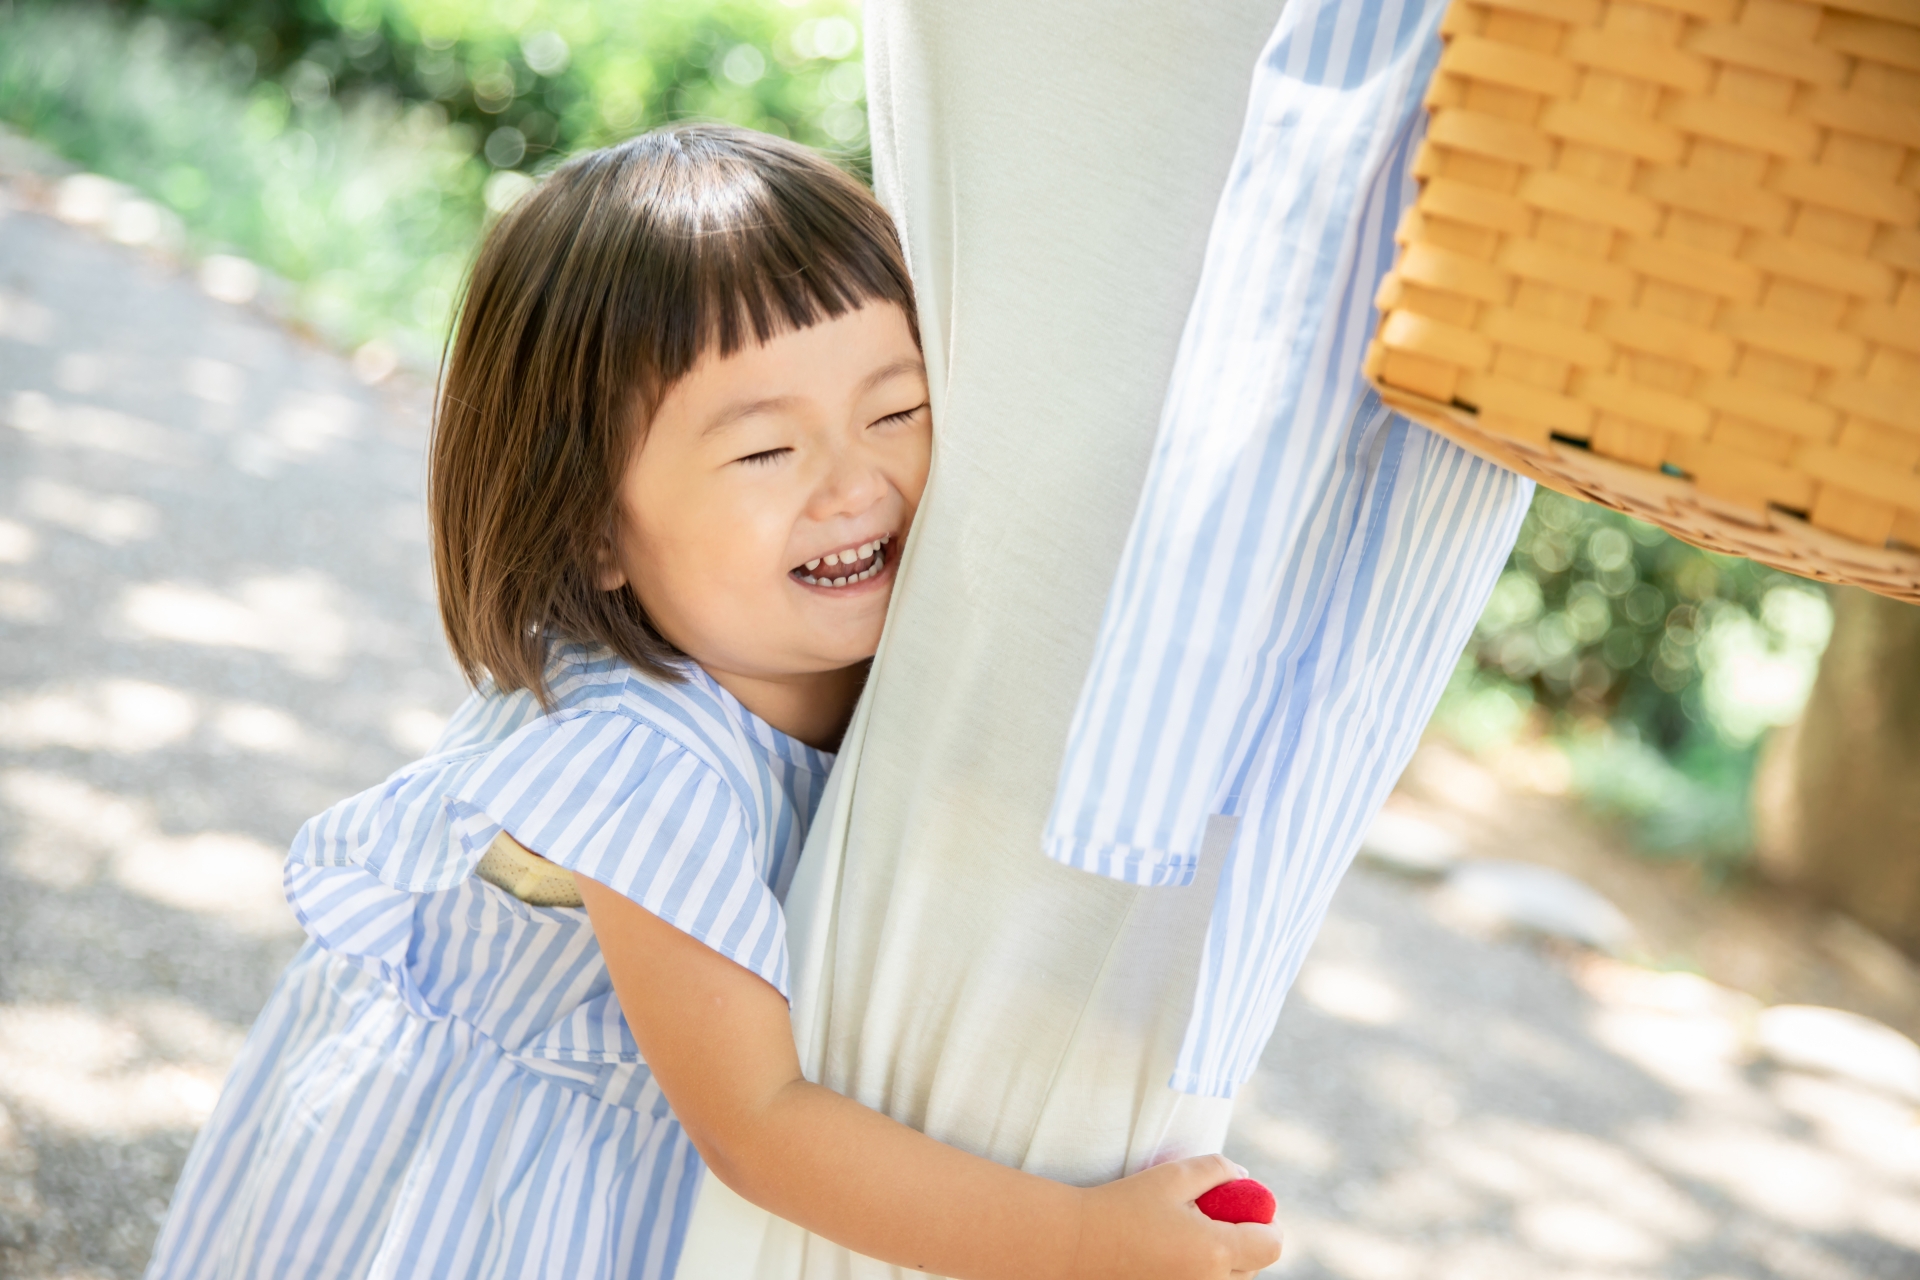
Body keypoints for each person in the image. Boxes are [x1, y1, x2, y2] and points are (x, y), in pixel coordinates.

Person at [141, 124, 1280, 1280]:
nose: (853, 481)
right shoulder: (640, 764)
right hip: (514, 1191)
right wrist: (1081, 1238)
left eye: (897, 411)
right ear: (592, 525)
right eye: (764, 450)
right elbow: (758, 1123)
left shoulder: (903, 667)